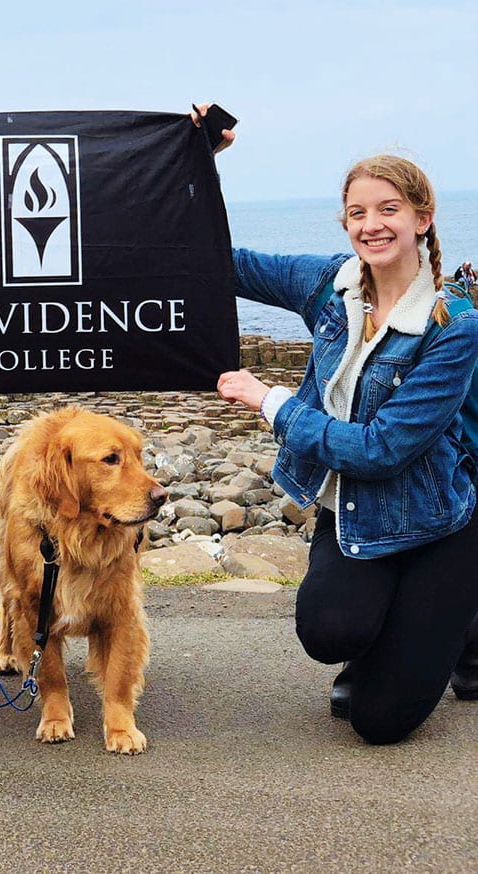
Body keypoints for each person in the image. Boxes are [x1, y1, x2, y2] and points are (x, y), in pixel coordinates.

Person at [201, 111, 478, 744]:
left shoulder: (453, 325)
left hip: (439, 521)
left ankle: (463, 621)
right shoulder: (330, 285)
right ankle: (403, 625)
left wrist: (267, 399)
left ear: (422, 220)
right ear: (345, 222)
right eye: (357, 212)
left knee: (378, 723)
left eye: (389, 210)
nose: (372, 225)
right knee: (329, 633)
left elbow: (380, 451)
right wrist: (199, 164)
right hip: (357, 514)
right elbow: (215, 261)